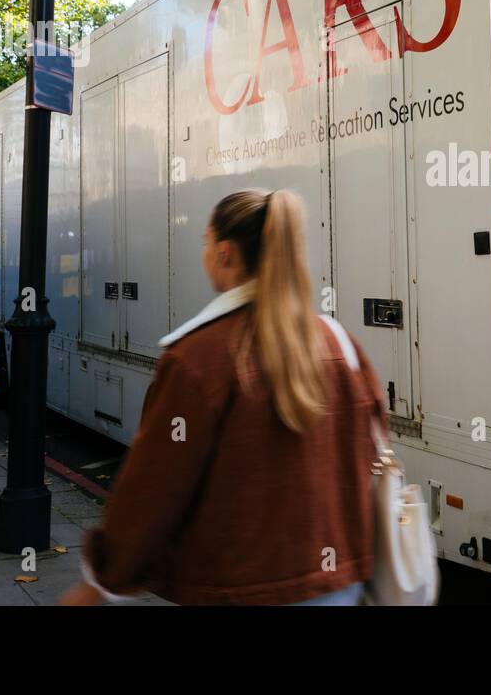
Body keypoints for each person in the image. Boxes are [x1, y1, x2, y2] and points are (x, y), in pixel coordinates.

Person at [59, 189, 385, 606]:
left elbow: (154, 489)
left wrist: (105, 581)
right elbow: (371, 453)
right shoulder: (339, 343)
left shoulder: (197, 358)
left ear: (225, 252)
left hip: (241, 590)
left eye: (205, 242)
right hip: (339, 587)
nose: (205, 252)